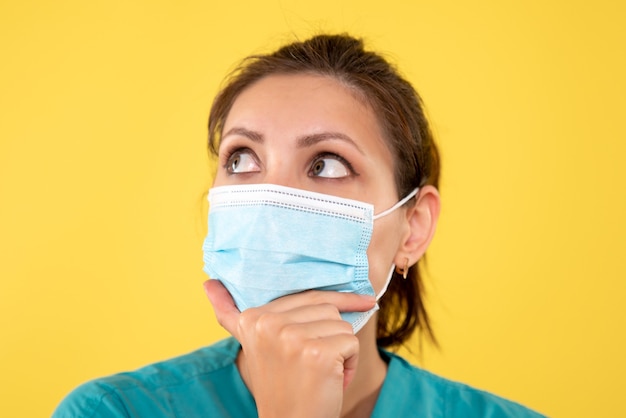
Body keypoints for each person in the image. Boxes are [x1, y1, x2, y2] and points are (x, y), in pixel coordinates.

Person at [53, 34, 544, 417]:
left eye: (327, 163)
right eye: (242, 158)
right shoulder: (112, 412)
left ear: (412, 228)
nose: (271, 198)